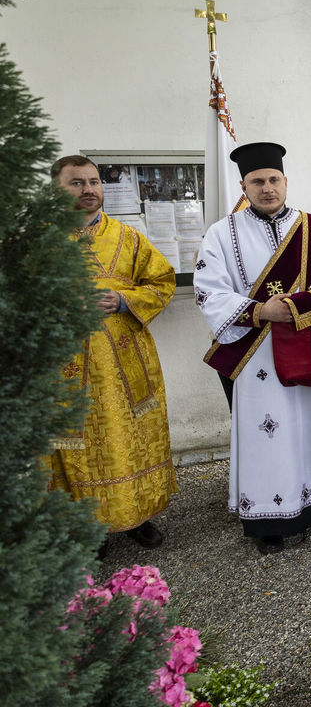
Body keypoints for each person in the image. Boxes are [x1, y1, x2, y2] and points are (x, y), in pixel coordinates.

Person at [194, 142, 311, 553]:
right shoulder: (221, 234)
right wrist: (261, 310)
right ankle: (270, 517)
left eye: (273, 180)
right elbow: (208, 293)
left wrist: (298, 306)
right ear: (244, 186)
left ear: (285, 181)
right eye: (257, 181)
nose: (267, 188)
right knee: (266, 429)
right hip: (256, 352)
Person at [48, 155, 177, 555]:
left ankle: (137, 516)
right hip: (63, 370)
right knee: (76, 444)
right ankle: (88, 527)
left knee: (132, 438)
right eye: (76, 183)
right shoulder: (34, 244)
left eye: (93, 181)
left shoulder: (128, 237)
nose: (88, 189)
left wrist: (123, 299)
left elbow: (162, 283)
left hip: (125, 363)